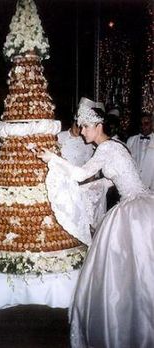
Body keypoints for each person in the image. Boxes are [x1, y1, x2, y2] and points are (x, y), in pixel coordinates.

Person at [38, 105, 154, 347]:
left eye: (86, 127)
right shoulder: (116, 146)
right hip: (138, 202)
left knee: (132, 266)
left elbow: (81, 174)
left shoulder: (107, 148)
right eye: (81, 126)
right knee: (137, 267)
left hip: (133, 208)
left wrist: (53, 159)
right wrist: (83, 192)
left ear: (99, 126)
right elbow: (112, 180)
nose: (82, 132)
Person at [127, 113, 154, 191]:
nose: (143, 127)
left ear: (152, 124)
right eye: (141, 124)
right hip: (134, 186)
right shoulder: (131, 140)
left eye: (146, 124)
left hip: (151, 187)